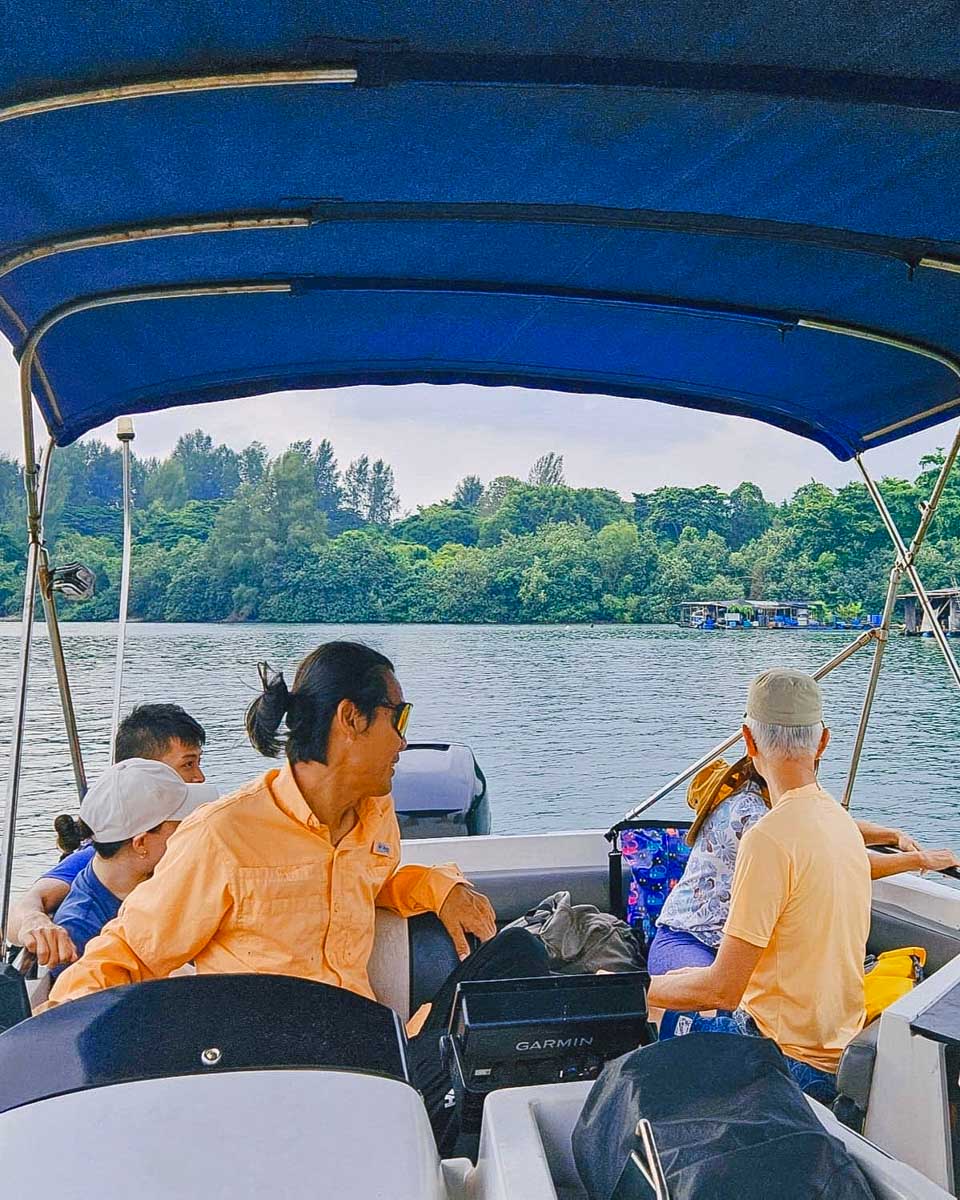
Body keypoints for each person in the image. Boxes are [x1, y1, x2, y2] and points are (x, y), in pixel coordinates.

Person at [44, 642, 547, 1146]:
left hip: (370, 1052)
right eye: (399, 718)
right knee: (464, 1071)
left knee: (520, 953)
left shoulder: (375, 814)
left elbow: (369, 882)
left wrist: (437, 887)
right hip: (279, 1076)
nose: (402, 742)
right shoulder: (224, 835)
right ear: (351, 718)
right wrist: (48, 1048)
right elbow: (129, 951)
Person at [647, 668, 872, 1103]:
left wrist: (639, 989)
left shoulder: (769, 836)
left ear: (748, 742)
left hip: (784, 1064)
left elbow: (723, 989)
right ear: (823, 742)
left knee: (656, 1008)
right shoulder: (842, 825)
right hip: (840, 1055)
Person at [648, 756, 959, 975]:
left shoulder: (772, 799)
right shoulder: (751, 814)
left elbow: (829, 825)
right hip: (689, 940)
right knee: (721, 1018)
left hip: (745, 949)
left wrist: (892, 834)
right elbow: (841, 863)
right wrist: (919, 860)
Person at [6, 703, 207, 969]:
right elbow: (29, 904)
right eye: (188, 764)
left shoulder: (162, 854)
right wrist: (35, 923)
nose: (200, 777)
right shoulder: (99, 871)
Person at [49, 758, 217, 973]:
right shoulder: (81, 932)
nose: (193, 828)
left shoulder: (164, 879)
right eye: (182, 824)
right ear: (141, 843)